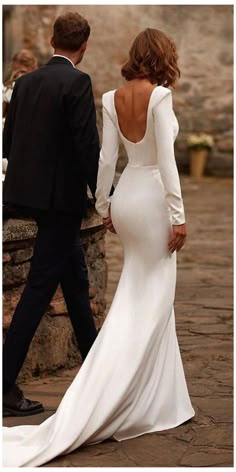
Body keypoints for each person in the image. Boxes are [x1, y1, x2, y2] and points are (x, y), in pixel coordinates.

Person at [3, 27, 195, 467]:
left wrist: (105, 204)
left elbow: (107, 159)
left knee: (132, 292)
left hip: (125, 200)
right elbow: (166, 161)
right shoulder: (160, 98)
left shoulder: (110, 97)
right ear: (162, 56)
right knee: (153, 298)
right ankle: (133, 395)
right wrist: (179, 217)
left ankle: (158, 393)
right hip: (150, 203)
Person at [3, 12, 100, 418]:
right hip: (62, 204)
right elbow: (85, 146)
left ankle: (97, 372)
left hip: (26, 197)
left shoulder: (25, 83)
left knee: (76, 286)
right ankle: (4, 385)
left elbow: (7, 141)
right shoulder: (77, 82)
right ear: (84, 45)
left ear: (51, 41)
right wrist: (104, 195)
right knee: (39, 291)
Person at [2, 49, 38, 118]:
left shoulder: (38, 87)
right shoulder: (8, 88)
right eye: (16, 73)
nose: (20, 75)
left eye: (23, 72)